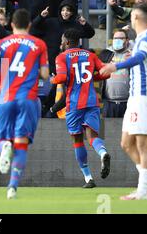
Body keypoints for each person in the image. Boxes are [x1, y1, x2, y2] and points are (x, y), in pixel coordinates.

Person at [0, 9, 49, 199]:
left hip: (5, 97)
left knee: (3, 138)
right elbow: (45, 74)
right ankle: (12, 187)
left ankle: (4, 146)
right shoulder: (39, 44)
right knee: (21, 144)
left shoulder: (2, 42)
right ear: (29, 25)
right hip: (28, 99)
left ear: (11, 25)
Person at [100, 3, 147, 200]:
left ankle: (143, 191)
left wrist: (115, 65)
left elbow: (139, 58)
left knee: (143, 145)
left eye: (131, 17)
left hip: (145, 97)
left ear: (136, 17)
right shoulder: (144, 38)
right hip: (135, 98)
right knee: (126, 143)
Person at [51, 28, 111, 188]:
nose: (61, 43)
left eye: (62, 41)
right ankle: (103, 153)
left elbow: (62, 77)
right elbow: (106, 73)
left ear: (67, 42)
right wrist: (92, 76)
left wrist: (52, 80)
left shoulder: (62, 57)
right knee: (92, 137)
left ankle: (88, 178)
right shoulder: (90, 55)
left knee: (77, 140)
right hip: (92, 102)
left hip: (74, 104)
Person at [98, 29, 132, 118]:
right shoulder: (106, 54)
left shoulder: (131, 54)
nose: (117, 40)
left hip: (128, 103)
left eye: (121, 38)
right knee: (108, 130)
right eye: (115, 38)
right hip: (109, 103)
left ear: (127, 40)